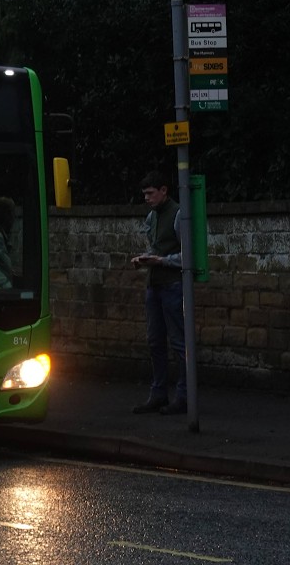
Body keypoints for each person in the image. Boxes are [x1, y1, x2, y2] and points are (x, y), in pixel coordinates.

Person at [129, 170, 187, 415]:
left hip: (172, 285)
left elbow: (189, 257)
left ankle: (184, 395)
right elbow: (155, 247)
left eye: (151, 193)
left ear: (164, 190)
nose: (147, 198)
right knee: (155, 341)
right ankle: (159, 393)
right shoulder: (152, 217)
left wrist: (161, 261)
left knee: (178, 342)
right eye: (144, 194)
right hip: (154, 285)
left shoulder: (178, 215)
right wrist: (145, 259)